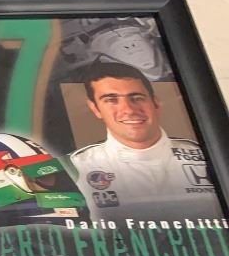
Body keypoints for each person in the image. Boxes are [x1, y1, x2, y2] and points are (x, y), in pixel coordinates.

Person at [70, 61, 223, 224]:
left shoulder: (210, 156)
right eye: (111, 100)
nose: (129, 110)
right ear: (95, 109)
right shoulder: (73, 167)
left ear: (155, 102)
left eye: (137, 98)